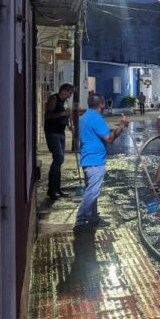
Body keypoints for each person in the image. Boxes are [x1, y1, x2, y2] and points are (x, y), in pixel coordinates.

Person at [74, 94, 129, 232]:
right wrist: (122, 126)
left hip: (87, 159)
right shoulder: (96, 119)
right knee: (92, 192)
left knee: (91, 190)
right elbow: (109, 138)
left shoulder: (84, 117)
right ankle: (80, 220)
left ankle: (93, 217)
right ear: (102, 104)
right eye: (104, 103)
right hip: (95, 161)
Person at [44, 83, 74, 199]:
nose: (70, 95)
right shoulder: (54, 99)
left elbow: (65, 116)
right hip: (52, 132)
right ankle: (52, 190)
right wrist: (64, 113)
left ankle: (57, 188)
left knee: (60, 160)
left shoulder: (64, 102)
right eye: (70, 93)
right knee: (58, 158)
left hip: (61, 132)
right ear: (64, 91)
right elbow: (48, 115)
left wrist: (69, 125)